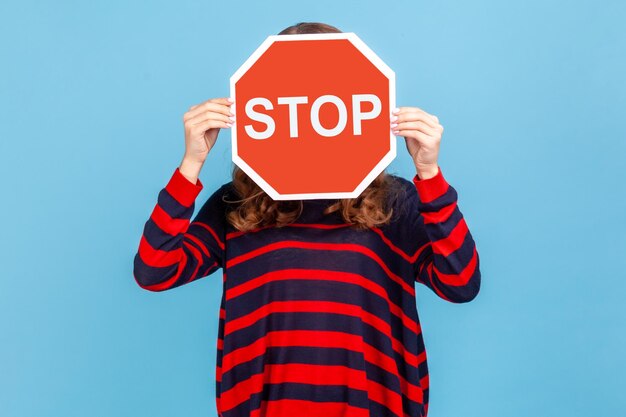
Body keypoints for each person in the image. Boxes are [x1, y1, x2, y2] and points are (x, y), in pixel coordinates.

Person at [132, 21, 481, 417]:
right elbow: (154, 271)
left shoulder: (394, 200)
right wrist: (191, 164)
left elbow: (461, 283)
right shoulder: (237, 204)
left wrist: (430, 174)